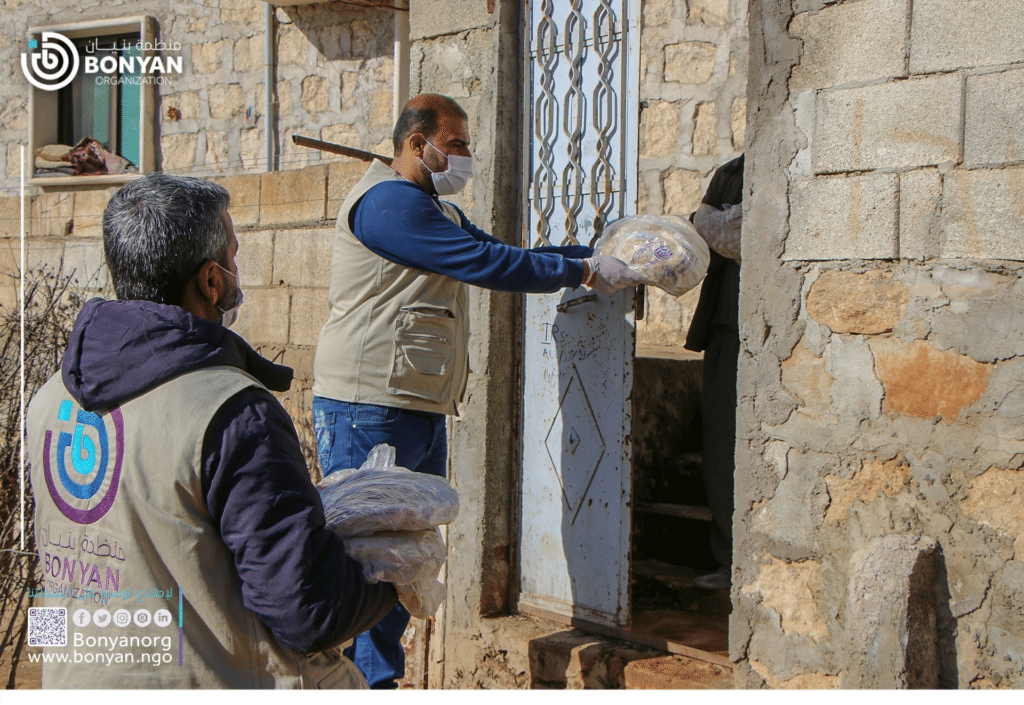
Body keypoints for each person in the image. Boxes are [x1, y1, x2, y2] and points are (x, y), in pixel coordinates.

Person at [312, 93, 644, 688]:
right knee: (368, 566)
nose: (466, 156)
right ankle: (364, 687)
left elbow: (502, 253)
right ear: (418, 144)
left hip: (410, 403)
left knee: (402, 561)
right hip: (368, 407)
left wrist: (592, 257)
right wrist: (584, 272)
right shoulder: (388, 203)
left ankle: (378, 683)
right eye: (457, 143)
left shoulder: (432, 207)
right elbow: (484, 265)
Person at [27, 173, 397, 688]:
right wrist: (392, 575)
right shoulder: (232, 411)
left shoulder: (48, 398)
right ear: (211, 281)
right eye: (234, 254)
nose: (237, 269)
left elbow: (60, 569)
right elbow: (305, 613)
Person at [684, 154, 744, 591]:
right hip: (727, 324)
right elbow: (704, 232)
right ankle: (730, 561)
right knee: (724, 447)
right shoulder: (733, 172)